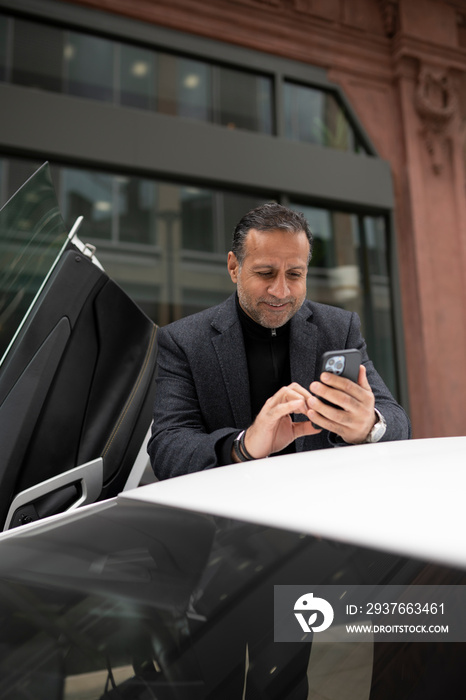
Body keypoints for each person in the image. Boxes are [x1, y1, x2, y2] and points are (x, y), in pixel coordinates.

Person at [148, 203, 410, 479]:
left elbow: (398, 422)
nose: (280, 291)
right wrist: (243, 446)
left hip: (324, 506)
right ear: (234, 267)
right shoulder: (183, 341)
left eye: (295, 274)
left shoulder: (339, 328)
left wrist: (369, 425)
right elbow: (167, 450)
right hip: (230, 514)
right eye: (265, 273)